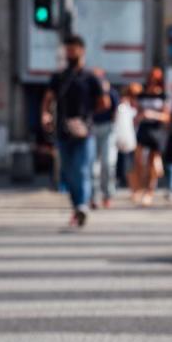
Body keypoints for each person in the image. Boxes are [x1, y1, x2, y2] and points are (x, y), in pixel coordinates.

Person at [40, 34, 107, 227]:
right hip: (63, 131)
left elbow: (104, 102)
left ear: (81, 51)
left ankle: (82, 206)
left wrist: (86, 117)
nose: (69, 53)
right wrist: (45, 115)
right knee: (68, 173)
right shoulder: (59, 77)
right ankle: (77, 205)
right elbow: (48, 99)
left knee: (83, 169)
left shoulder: (91, 77)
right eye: (67, 49)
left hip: (85, 132)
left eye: (73, 49)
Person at [133, 67, 171, 207]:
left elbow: (167, 117)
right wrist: (138, 116)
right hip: (143, 129)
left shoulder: (163, 96)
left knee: (152, 160)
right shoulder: (142, 95)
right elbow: (137, 112)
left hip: (156, 129)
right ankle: (139, 188)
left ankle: (149, 191)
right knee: (138, 160)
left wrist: (152, 114)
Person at [90, 68, 119, 209]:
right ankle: (93, 196)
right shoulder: (88, 92)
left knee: (107, 163)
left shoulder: (111, 93)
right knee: (92, 165)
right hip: (92, 128)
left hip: (107, 128)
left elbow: (115, 112)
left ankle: (107, 194)